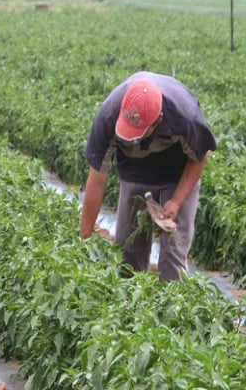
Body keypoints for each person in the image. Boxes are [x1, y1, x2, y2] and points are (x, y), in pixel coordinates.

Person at [79, 71, 217, 281]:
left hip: (176, 171)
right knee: (127, 250)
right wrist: (84, 240)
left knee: (174, 253)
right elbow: (97, 179)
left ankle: (173, 305)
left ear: (158, 120)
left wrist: (177, 201)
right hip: (134, 170)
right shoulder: (109, 114)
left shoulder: (185, 116)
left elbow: (199, 157)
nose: (134, 139)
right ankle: (129, 305)